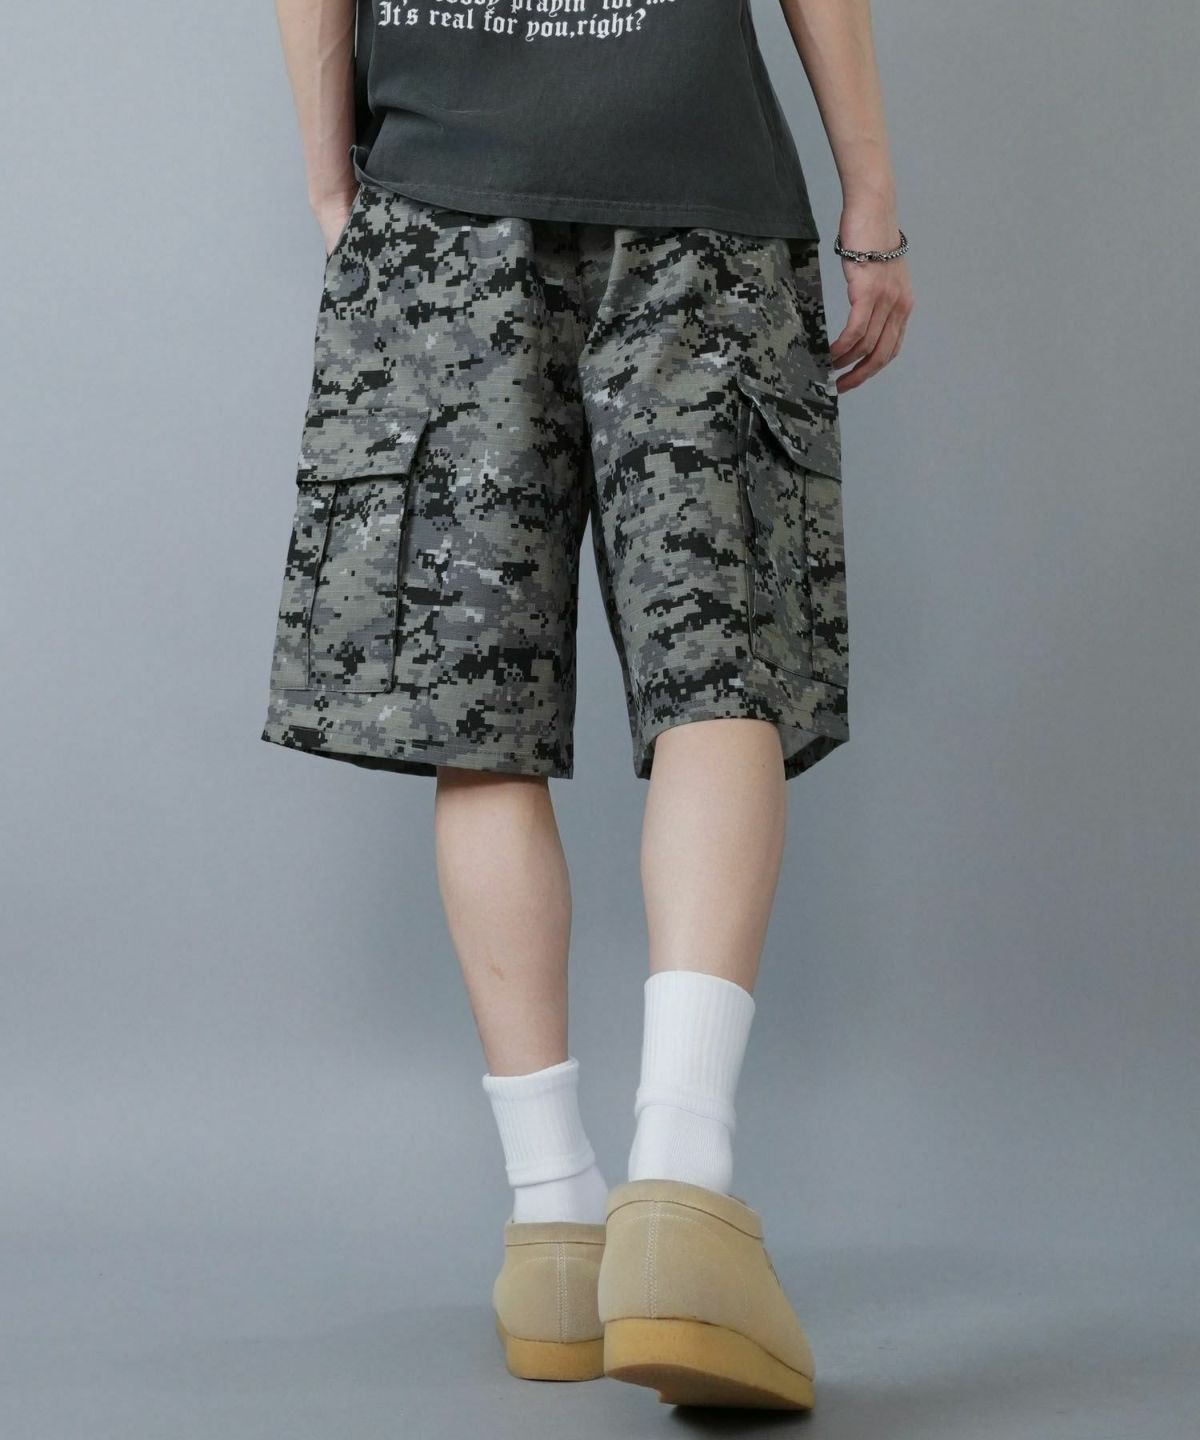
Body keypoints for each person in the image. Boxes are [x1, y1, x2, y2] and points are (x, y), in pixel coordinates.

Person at [264, 0, 911, 1411]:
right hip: (699, 194)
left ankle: (554, 1222)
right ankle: (682, 1187)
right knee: (719, 671)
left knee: (478, 716)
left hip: (440, 191)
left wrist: (332, 185)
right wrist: (869, 198)